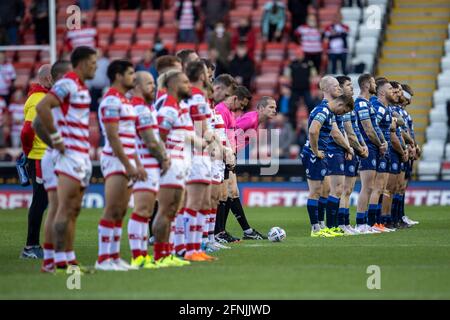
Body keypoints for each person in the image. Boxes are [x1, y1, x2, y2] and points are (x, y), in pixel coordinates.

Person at [35, 46, 97, 272]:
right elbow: (41, 110)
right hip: (66, 156)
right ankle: (52, 261)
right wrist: (56, 139)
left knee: (70, 209)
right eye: (92, 62)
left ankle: (64, 259)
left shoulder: (79, 86)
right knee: (60, 208)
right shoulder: (67, 83)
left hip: (78, 155)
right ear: (80, 63)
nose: (96, 66)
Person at [152, 70, 209, 266]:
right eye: (185, 82)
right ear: (175, 85)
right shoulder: (169, 107)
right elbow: (158, 135)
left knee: (173, 210)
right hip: (172, 163)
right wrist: (163, 159)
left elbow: (187, 135)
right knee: (166, 210)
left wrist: (203, 143)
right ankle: (161, 254)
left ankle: (170, 253)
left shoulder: (180, 107)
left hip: (182, 164)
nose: (189, 86)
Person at [95, 60, 147, 271]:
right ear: (118, 75)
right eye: (130, 73)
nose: (133, 77)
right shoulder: (110, 101)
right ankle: (103, 259)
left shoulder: (124, 100)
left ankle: (114, 257)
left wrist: (137, 163)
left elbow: (129, 136)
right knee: (112, 208)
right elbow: (113, 136)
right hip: (115, 159)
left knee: (120, 211)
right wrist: (129, 165)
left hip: (125, 159)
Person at [300, 77, 353, 237]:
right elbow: (312, 131)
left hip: (319, 154)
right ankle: (315, 228)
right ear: (340, 104)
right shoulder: (323, 110)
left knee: (325, 189)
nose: (342, 113)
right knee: (315, 191)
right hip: (314, 154)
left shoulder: (328, 111)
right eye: (343, 111)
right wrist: (315, 150)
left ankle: (322, 226)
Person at [34, 60, 74, 272]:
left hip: (63, 157)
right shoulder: (58, 93)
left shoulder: (66, 94)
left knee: (64, 208)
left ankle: (60, 257)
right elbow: (36, 124)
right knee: (58, 207)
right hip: (57, 158)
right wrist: (56, 144)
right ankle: (51, 260)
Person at [128, 71, 170, 269]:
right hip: (144, 163)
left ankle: (143, 255)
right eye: (149, 83)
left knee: (146, 211)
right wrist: (164, 158)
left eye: (154, 83)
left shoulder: (147, 107)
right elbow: (150, 139)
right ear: (136, 85)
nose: (153, 87)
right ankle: (138, 257)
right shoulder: (138, 108)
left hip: (149, 163)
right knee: (142, 210)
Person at [18, 64, 52, 259]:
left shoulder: (42, 97)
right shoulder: (37, 99)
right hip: (38, 157)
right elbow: (27, 131)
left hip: (43, 156)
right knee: (40, 202)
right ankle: (30, 247)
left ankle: (39, 245)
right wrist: (28, 153)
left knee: (45, 201)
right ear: (47, 79)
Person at [354, 74, 387, 234]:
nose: (375, 85)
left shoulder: (368, 104)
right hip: (367, 148)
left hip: (373, 147)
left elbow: (375, 127)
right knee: (367, 187)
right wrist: (380, 143)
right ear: (367, 85)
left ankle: (367, 222)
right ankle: (360, 223)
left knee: (370, 186)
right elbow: (367, 128)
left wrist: (383, 142)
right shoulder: (360, 104)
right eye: (373, 82)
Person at [339, 76, 369, 234]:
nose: (352, 87)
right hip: (346, 151)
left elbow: (356, 129)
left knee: (348, 189)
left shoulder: (350, 105)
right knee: (344, 189)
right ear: (340, 88)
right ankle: (341, 224)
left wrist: (362, 145)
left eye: (351, 85)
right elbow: (348, 131)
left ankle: (346, 224)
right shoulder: (341, 106)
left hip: (353, 150)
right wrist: (357, 147)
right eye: (348, 85)